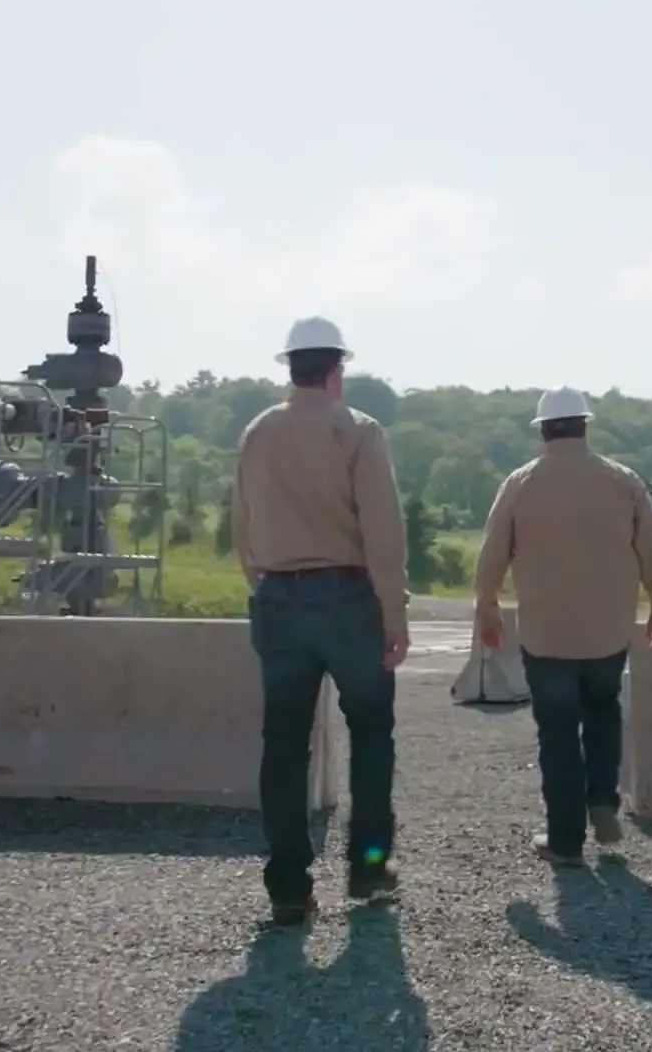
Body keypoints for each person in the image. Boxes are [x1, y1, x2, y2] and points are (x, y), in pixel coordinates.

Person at [233, 314, 412, 924]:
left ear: (290, 368)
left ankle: (288, 886)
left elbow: (241, 526)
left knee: (284, 745)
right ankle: (368, 866)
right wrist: (394, 611)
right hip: (349, 598)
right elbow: (382, 530)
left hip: (278, 596)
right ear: (337, 369)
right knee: (371, 731)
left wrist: (265, 582)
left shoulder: (257, 432)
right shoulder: (357, 430)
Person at [471, 386, 652, 867]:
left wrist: (487, 607)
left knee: (558, 733)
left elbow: (493, 551)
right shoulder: (624, 481)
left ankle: (565, 842)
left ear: (543, 430)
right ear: (585, 426)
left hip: (546, 633)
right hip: (608, 629)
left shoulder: (521, 483)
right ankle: (602, 802)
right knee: (603, 711)